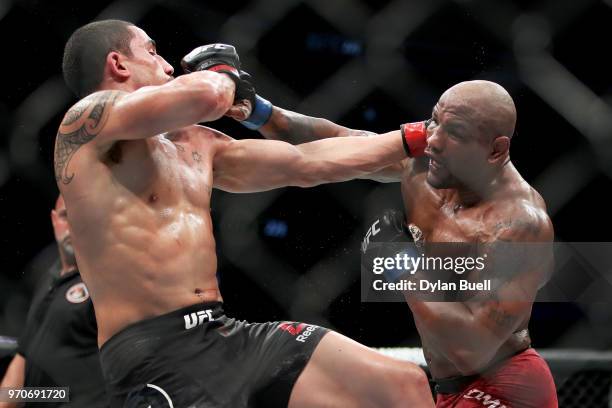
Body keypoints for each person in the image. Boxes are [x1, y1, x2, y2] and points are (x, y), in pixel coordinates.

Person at [54, 20, 434, 408]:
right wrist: (221, 72)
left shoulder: (194, 144)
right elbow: (208, 96)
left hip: (222, 333)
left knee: (403, 385)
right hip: (155, 352)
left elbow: (305, 160)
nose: (168, 66)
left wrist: (419, 138)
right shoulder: (87, 124)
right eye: (152, 51)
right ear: (118, 64)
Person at [250, 79, 558, 407]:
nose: (433, 141)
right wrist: (259, 112)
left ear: (495, 150)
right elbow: (343, 143)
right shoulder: (423, 161)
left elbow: (473, 350)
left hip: (506, 388)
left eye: (455, 132)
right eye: (434, 120)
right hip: (446, 388)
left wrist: (401, 263)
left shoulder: (519, 224)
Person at [0, 196, 108, 408]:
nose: (72, 227)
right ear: (53, 220)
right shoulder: (48, 278)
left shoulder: (106, 281)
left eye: (81, 218)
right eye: (65, 216)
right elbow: (24, 358)